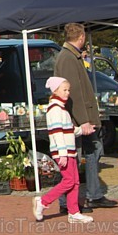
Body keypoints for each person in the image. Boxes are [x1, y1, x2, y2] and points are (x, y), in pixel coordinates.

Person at [54, 23, 118, 213]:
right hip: (77, 120)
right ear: (81, 37)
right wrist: (84, 121)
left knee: (93, 152)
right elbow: (73, 94)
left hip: (82, 117)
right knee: (73, 159)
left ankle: (93, 194)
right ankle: (67, 203)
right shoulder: (68, 58)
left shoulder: (71, 56)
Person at [33, 77, 92, 224]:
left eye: (68, 90)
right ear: (55, 91)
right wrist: (62, 153)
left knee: (75, 181)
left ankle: (74, 212)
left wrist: (83, 130)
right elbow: (57, 132)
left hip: (69, 151)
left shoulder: (61, 109)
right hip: (63, 152)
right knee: (69, 181)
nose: (67, 93)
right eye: (64, 90)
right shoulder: (55, 109)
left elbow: (69, 130)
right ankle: (43, 202)